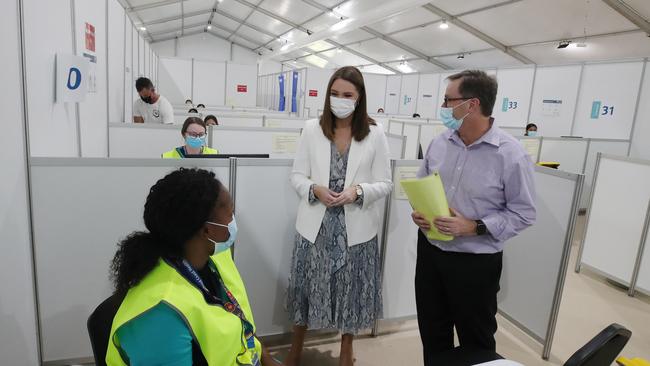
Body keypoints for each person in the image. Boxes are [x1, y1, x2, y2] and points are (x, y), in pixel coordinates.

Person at [411, 70, 536, 365]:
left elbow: (524, 213)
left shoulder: (511, 155)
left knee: (476, 342)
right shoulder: (440, 143)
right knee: (432, 333)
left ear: (472, 104)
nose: (442, 107)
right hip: (431, 253)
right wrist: (419, 213)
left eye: (447, 100)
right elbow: (421, 184)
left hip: (474, 264)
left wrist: (474, 226)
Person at [105, 168, 282, 366]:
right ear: (207, 230)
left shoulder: (214, 259)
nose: (233, 220)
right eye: (230, 213)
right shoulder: (161, 314)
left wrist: (266, 358)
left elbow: (241, 321)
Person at [286, 66, 392, 366]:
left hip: (355, 228)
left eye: (347, 95)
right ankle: (295, 349)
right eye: (334, 94)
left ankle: (347, 352)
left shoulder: (374, 133)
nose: (339, 99)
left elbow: (385, 182)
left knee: (351, 293)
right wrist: (314, 189)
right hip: (315, 226)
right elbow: (296, 175)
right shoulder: (311, 129)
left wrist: (358, 192)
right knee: (306, 289)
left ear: (359, 99)